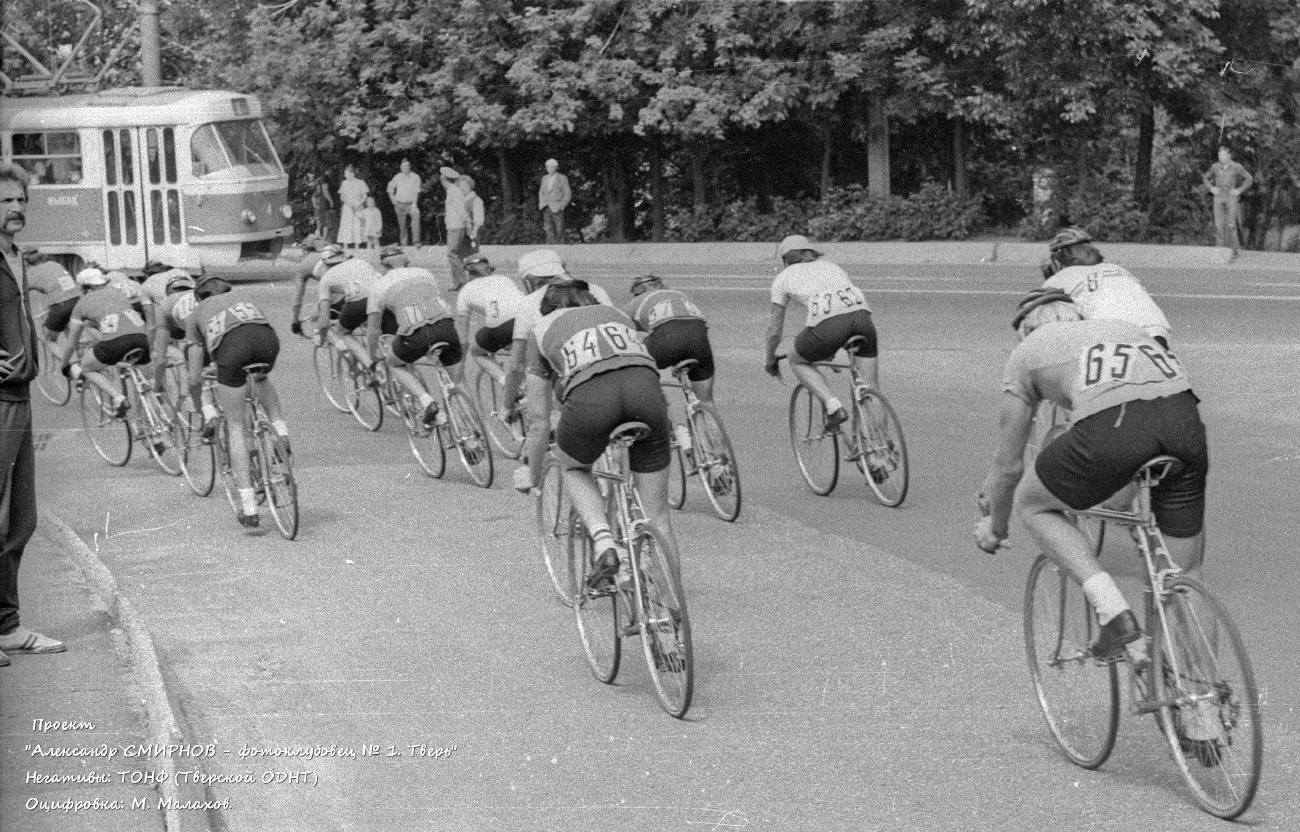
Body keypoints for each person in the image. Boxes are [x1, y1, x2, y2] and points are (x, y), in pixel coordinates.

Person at [975, 290, 1207, 660]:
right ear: (1078, 319)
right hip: (1184, 422)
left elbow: (1008, 467)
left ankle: (1114, 615)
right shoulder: (1119, 328)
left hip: (1114, 424)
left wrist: (996, 527)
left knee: (1032, 504)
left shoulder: (1027, 351)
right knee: (1185, 573)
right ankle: (1202, 686)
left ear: (1026, 331)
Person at [518, 277, 682, 594]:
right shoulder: (617, 315)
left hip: (591, 400)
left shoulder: (541, 330)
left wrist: (534, 474)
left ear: (547, 308)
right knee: (659, 516)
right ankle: (670, 608)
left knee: (573, 467)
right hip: (647, 395)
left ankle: (604, 541)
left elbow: (538, 421)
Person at [0, 163, 62, 665]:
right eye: (5, 201)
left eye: (21, 200)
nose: (16, 208)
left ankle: (7, 627)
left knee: (21, 519)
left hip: (19, 397)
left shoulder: (16, 256)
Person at [501, 250, 615, 490]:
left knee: (545, 419)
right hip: (616, 370)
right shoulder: (594, 290)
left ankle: (544, 472)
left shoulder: (529, 303)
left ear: (530, 280)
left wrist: (507, 405)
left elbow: (517, 364)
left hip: (569, 378)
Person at [185, 276, 289, 528]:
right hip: (267, 343)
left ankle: (249, 506)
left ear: (199, 297)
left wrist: (201, 406)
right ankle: (281, 436)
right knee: (261, 379)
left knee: (235, 426)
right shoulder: (244, 298)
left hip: (232, 351)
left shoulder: (195, 313)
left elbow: (194, 376)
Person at [763, 235, 879, 429]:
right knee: (870, 387)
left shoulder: (782, 278)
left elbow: (775, 331)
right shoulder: (832, 266)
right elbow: (841, 306)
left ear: (785, 260)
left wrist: (769, 359)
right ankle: (882, 444)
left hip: (829, 327)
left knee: (796, 359)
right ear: (810, 252)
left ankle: (833, 406)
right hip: (862, 319)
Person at [364, 245, 459, 427]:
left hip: (416, 332)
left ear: (383, 266)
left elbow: (373, 330)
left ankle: (426, 401)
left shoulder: (378, 286)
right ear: (407, 261)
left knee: (393, 363)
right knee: (457, 380)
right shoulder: (425, 273)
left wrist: (372, 357)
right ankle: (468, 421)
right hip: (446, 325)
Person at [1040, 226, 1173, 348]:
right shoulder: (1116, 269)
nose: (1091, 248)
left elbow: (1040, 309)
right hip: (1156, 331)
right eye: (1081, 247)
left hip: (1113, 336)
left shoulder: (1065, 275)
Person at [59, 268, 151, 420]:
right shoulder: (118, 292)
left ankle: (118, 397)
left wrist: (64, 365)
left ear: (82, 288)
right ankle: (151, 418)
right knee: (140, 377)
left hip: (116, 343)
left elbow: (71, 344)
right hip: (142, 337)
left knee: (87, 367)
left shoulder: (81, 304)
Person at [623, 274, 716, 410]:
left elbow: (619, 325)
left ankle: (661, 408)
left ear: (637, 292)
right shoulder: (680, 295)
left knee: (636, 367)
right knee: (705, 401)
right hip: (699, 343)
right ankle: (710, 419)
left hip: (666, 343)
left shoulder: (637, 301)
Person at [454, 254, 525, 386]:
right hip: (526, 317)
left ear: (467, 273)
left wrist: (460, 364)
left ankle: (507, 383)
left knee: (476, 352)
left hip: (502, 327)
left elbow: (463, 338)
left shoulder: (464, 291)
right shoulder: (503, 278)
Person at [311, 245, 381, 368]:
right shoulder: (360, 262)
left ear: (326, 264)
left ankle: (370, 366)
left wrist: (321, 338)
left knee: (342, 332)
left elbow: (323, 322)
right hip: (381, 296)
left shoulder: (326, 278)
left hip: (359, 302)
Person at [1201, 146, 1253, 253]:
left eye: (1224, 155)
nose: (1221, 157)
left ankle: (1234, 250)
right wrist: (1211, 188)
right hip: (1218, 197)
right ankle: (1220, 251)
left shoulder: (1236, 166)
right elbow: (1205, 178)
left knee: (1231, 224)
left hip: (1231, 197)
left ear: (1229, 156)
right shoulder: (1215, 167)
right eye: (1220, 155)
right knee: (1218, 225)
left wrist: (1239, 190)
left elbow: (1249, 178)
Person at [21, 249, 80, 345]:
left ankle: (63, 355)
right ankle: (76, 350)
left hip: (60, 304)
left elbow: (21, 290)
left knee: (47, 339)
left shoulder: (31, 273)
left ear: (27, 263)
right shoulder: (54, 264)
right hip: (76, 299)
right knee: (67, 331)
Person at [440, 167, 472, 289]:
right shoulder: (452, 190)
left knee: (452, 254)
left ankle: (463, 280)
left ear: (444, 179)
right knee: (454, 254)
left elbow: (460, 208)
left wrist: (467, 221)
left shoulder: (453, 191)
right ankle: (457, 282)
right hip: (454, 225)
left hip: (456, 226)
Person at [386, 159, 422, 247]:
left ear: (410, 167)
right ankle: (404, 244)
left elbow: (416, 192)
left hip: (411, 204)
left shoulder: (415, 177)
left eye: (406, 166)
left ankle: (416, 241)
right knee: (402, 225)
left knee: (416, 218)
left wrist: (414, 205)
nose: (405, 168)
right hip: (399, 204)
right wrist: (393, 201)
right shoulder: (397, 177)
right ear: (401, 167)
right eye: (403, 166)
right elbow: (390, 188)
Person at [538, 158, 571, 244]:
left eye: (550, 167)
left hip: (557, 207)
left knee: (559, 229)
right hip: (546, 206)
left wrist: (562, 205)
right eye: (547, 167)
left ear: (555, 167)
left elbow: (567, 193)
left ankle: (560, 247)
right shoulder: (544, 178)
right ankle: (551, 247)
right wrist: (542, 203)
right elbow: (541, 192)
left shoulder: (562, 178)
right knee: (548, 228)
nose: (548, 168)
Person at [336, 164, 369, 249]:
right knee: (346, 226)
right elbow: (342, 196)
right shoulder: (344, 183)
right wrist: (349, 203)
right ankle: (345, 247)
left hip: (358, 206)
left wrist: (358, 204)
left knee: (357, 225)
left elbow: (365, 196)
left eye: (346, 174)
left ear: (352, 174)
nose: (345, 175)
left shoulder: (361, 182)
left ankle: (357, 247)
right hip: (348, 207)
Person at [310, 174, 337, 241]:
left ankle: (318, 239)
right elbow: (326, 194)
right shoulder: (324, 185)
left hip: (317, 206)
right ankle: (324, 240)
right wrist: (331, 201)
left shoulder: (316, 185)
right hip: (323, 205)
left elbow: (313, 196)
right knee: (326, 224)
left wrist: (314, 204)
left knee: (318, 224)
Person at [462, 175, 485, 247]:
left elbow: (479, 219)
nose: (462, 188)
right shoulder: (458, 200)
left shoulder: (476, 200)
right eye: (460, 186)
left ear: (470, 186)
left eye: (464, 185)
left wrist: (474, 233)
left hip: (471, 233)